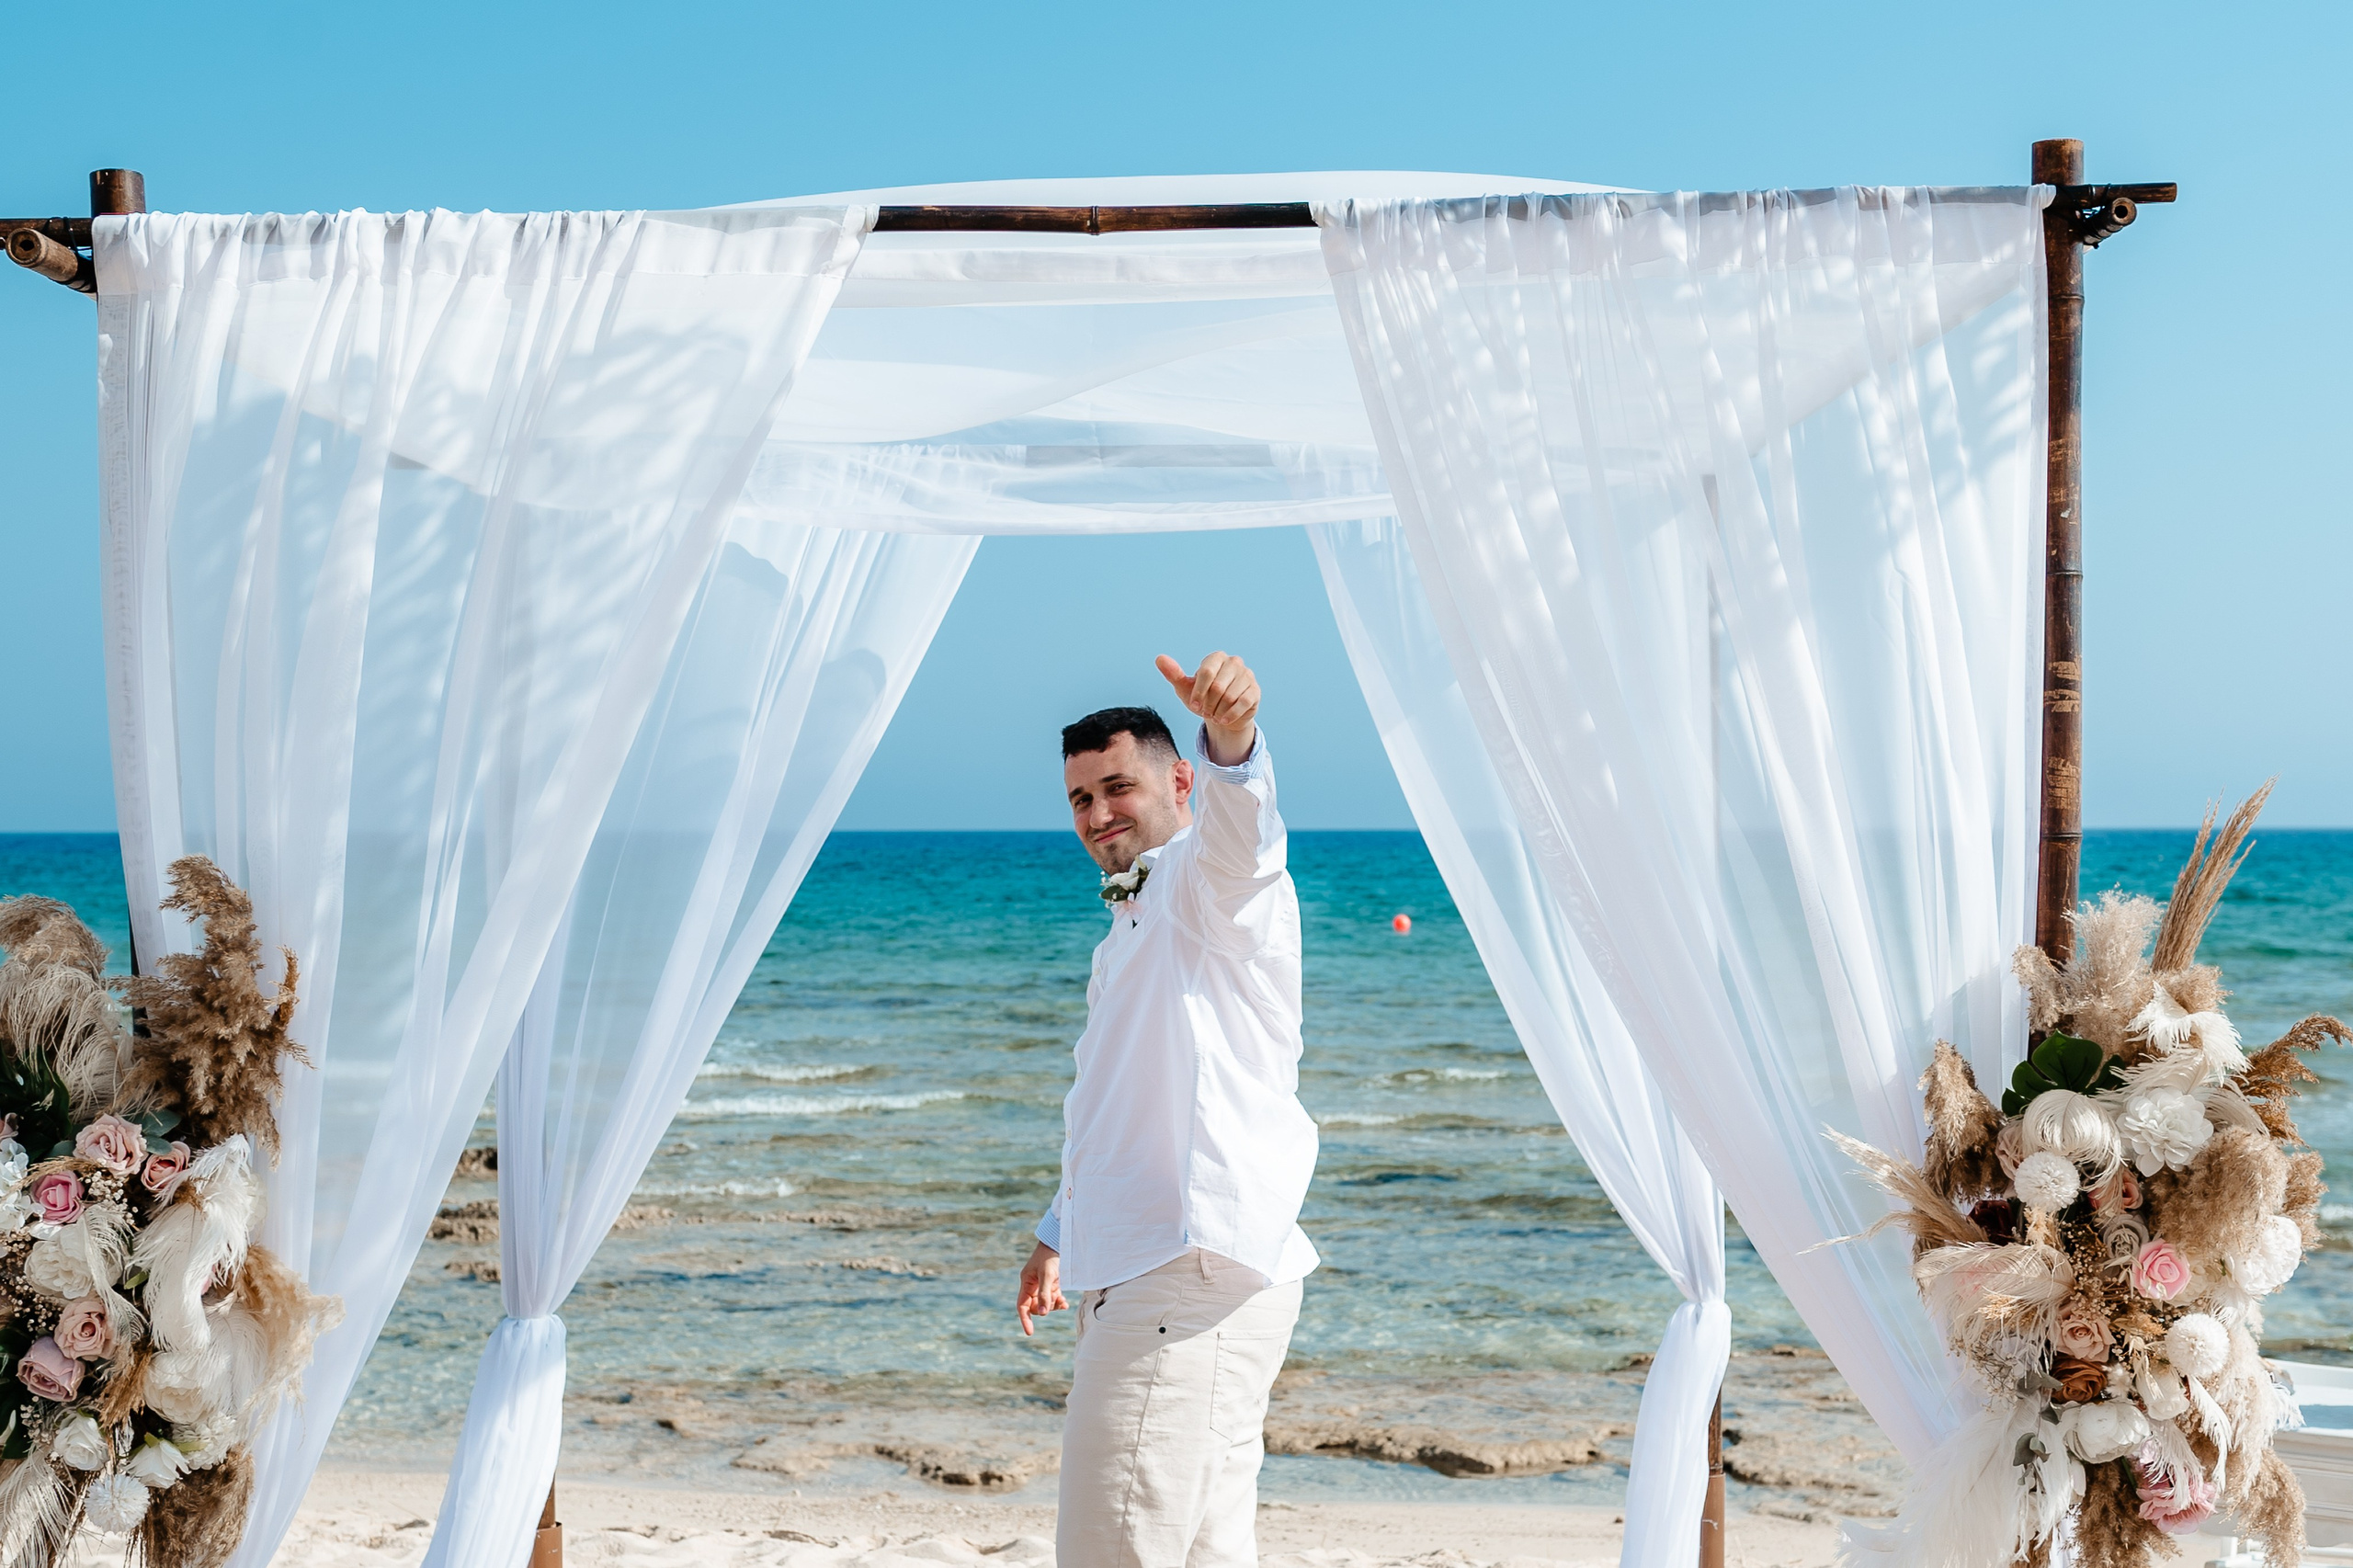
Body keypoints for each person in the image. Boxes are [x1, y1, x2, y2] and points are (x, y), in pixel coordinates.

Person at [1017, 651, 1319, 1568]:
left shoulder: (1203, 882)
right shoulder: (1128, 925)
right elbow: (1121, 1095)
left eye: (1118, 786)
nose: (1098, 812)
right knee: (1203, 1546)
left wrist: (1232, 738)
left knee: (1112, 1545)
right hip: (1177, 1262)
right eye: (1079, 798)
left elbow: (1245, 842)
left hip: (1179, 1270)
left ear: (1179, 780)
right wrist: (1059, 1227)